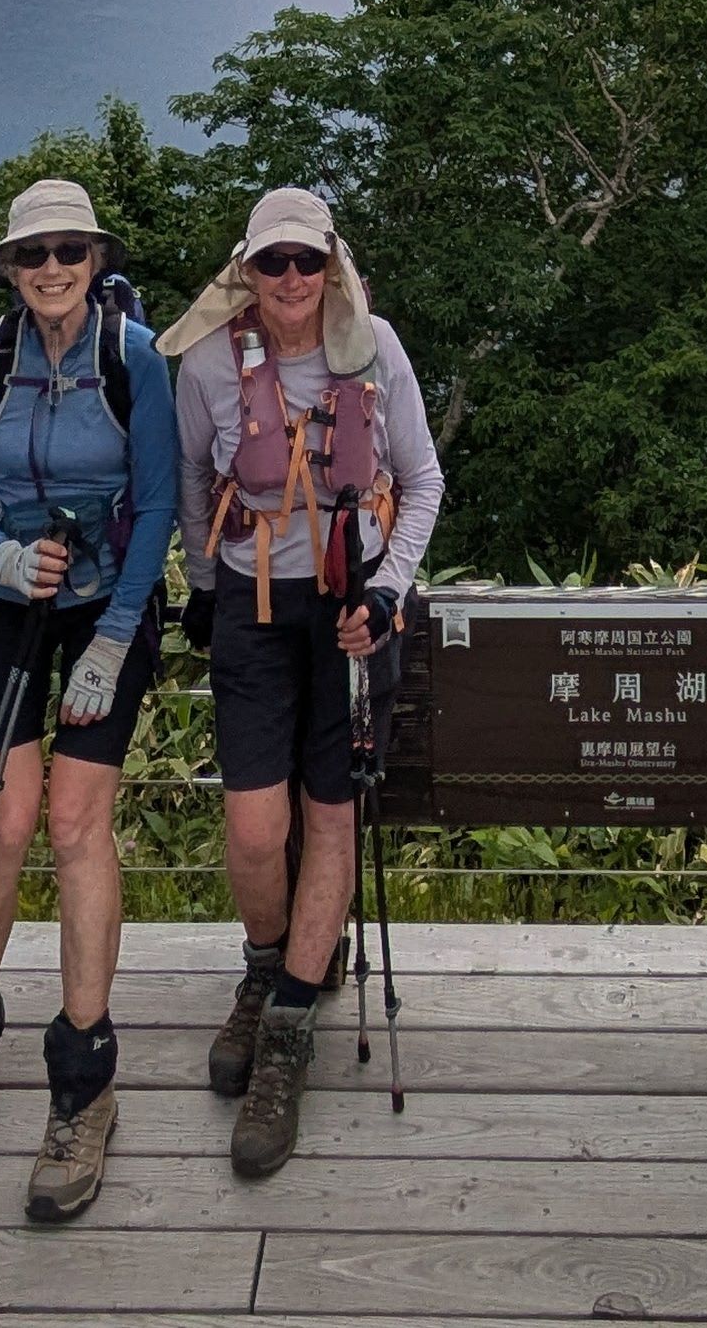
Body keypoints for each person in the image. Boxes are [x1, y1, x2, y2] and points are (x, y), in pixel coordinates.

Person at [0, 178, 179, 1223]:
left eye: (70, 251)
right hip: (3, 598)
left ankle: (83, 1077)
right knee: (0, 819)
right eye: (34, 256)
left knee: (74, 823)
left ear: (96, 261)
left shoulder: (135, 359)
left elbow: (159, 500)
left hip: (104, 605)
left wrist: (113, 639)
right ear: (10, 270)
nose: (53, 269)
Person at [165, 183, 442, 1179]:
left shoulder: (374, 350)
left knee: (329, 815)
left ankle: (287, 1022)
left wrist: (393, 589)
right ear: (246, 267)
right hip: (251, 607)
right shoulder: (207, 360)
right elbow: (196, 483)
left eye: (306, 262)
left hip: (353, 611)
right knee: (253, 825)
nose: (289, 280)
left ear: (332, 266)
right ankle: (265, 963)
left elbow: (420, 479)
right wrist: (203, 583)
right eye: (271, 262)